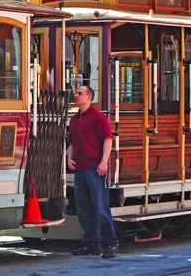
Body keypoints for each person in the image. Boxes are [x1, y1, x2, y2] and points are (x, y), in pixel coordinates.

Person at [68, 86, 119, 258]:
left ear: (89, 97)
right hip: (80, 170)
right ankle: (90, 244)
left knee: (100, 207)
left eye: (80, 93)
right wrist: (69, 158)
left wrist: (104, 162)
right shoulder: (74, 119)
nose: (76, 95)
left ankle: (110, 243)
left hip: (95, 169)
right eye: (75, 93)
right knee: (83, 208)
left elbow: (107, 140)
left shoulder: (98, 117)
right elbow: (73, 142)